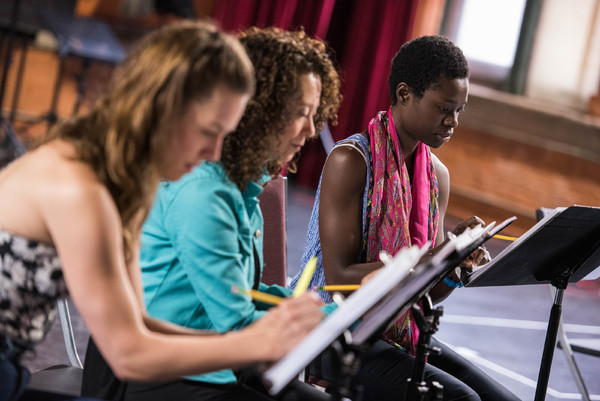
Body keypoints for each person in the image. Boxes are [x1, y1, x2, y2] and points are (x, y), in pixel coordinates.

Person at [0, 21, 325, 401]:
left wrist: (256, 339)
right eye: (208, 131)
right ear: (164, 108)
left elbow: (140, 323)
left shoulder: (121, 175)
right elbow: (127, 354)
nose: (215, 153)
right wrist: (254, 343)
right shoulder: (81, 187)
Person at [290, 35, 520, 400]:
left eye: (460, 109)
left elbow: (427, 295)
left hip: (398, 330)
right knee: (462, 400)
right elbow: (339, 282)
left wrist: (456, 264)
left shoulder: (436, 176)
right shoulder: (351, 160)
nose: (453, 121)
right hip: (330, 330)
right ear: (403, 94)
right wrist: (429, 259)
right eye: (444, 107)